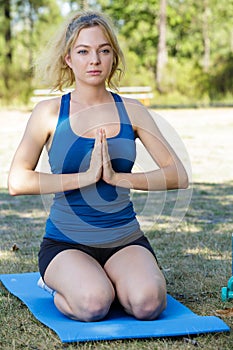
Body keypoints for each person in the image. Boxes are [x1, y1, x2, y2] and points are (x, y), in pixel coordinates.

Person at [8, 10, 189, 322]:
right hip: (66, 244)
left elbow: (177, 175)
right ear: (68, 58)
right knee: (93, 305)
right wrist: (85, 177)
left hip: (125, 240)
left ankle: (112, 281)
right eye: (83, 51)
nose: (94, 60)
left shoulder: (132, 111)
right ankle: (65, 285)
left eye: (104, 51)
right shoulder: (49, 112)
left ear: (113, 58)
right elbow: (17, 181)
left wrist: (120, 178)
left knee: (148, 305)